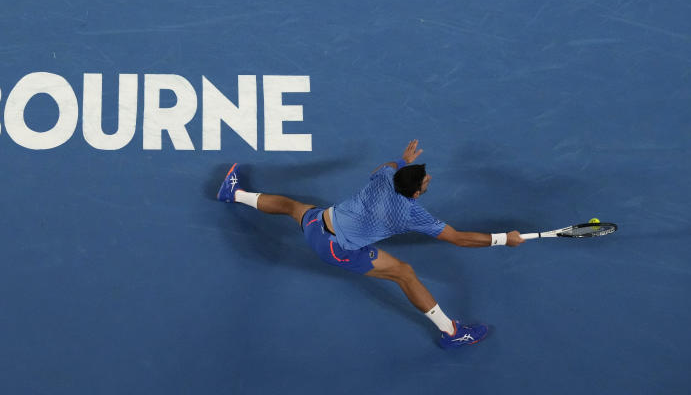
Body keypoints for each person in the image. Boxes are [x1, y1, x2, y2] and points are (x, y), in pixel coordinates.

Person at [216, 139, 524, 349]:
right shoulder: (412, 214)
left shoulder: (384, 176)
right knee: (404, 272)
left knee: (291, 206)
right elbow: (458, 238)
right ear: (415, 194)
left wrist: (404, 160)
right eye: (426, 181)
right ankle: (452, 333)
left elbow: (387, 164)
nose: (429, 180)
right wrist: (503, 239)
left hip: (317, 223)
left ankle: (233, 193)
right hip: (336, 249)